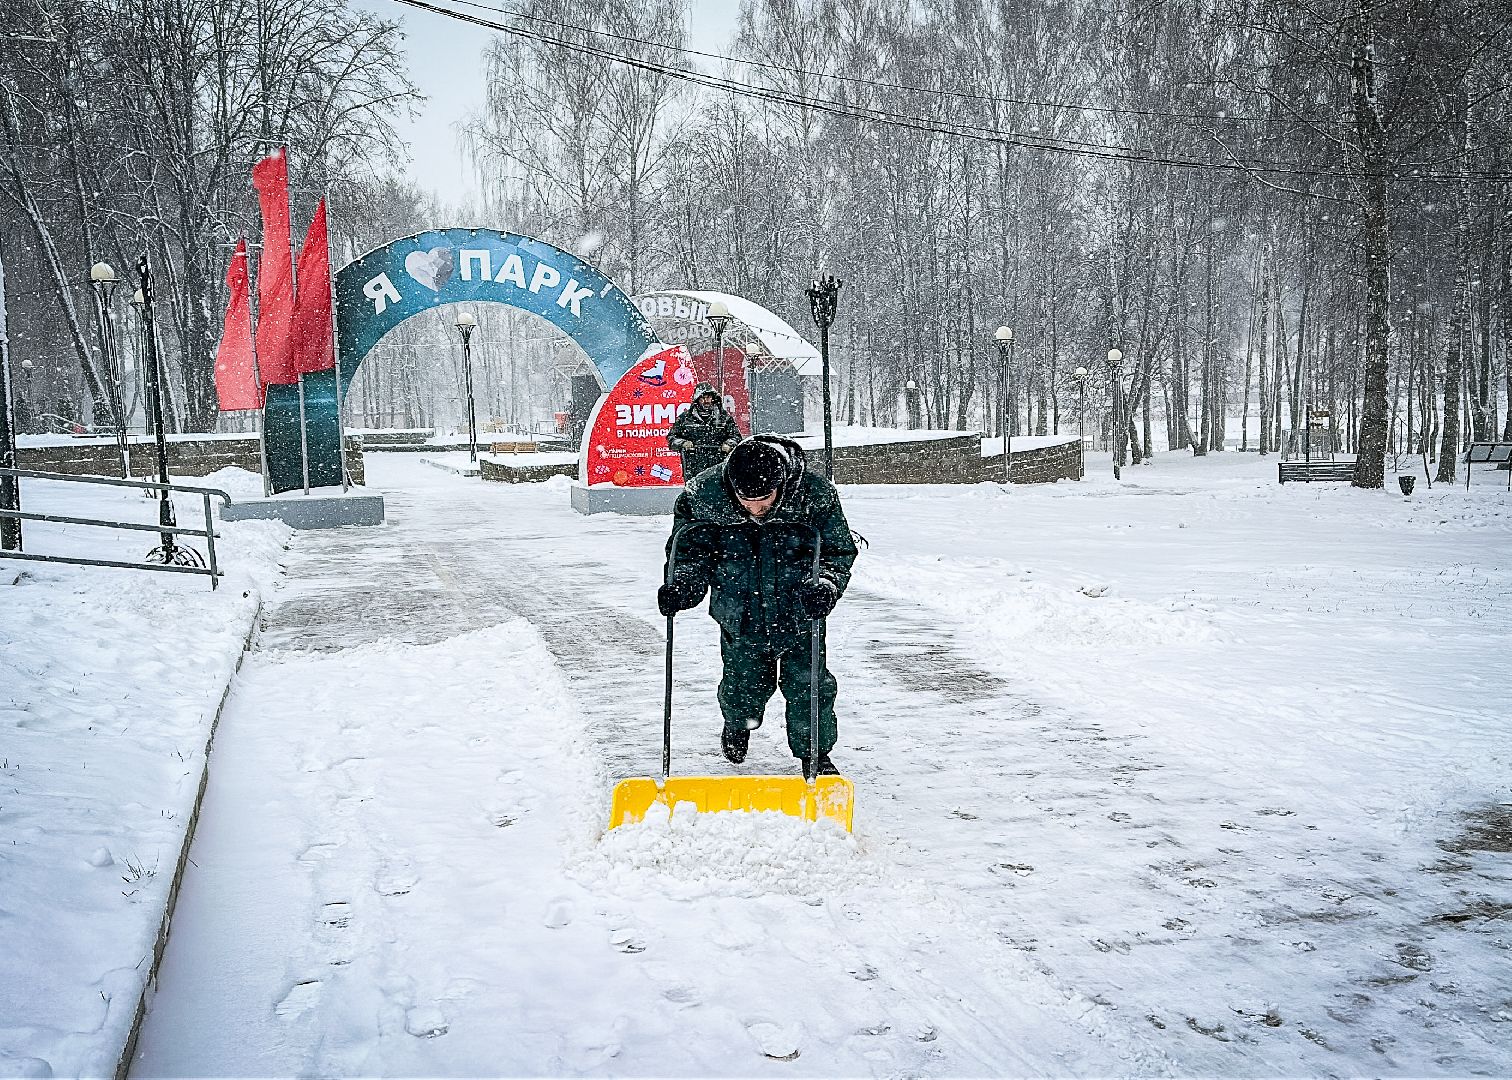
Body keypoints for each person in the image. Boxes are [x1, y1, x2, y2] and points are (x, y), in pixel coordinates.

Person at [657, 435, 859, 776]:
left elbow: (837, 551)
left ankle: (814, 755)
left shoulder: (814, 494)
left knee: (809, 684)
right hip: (740, 608)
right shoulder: (704, 497)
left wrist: (825, 585)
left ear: (780, 485)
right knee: (743, 681)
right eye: (746, 500)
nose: (755, 510)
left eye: (764, 500)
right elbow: (690, 553)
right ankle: (739, 722)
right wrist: (684, 587)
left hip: (800, 608)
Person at [666, 383, 739, 481]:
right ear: (697, 399)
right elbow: (672, 439)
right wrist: (683, 443)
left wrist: (729, 444)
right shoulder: (685, 418)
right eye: (703, 398)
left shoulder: (724, 418)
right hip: (693, 470)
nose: (706, 401)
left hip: (718, 469)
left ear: (713, 398)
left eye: (709, 397)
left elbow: (736, 437)